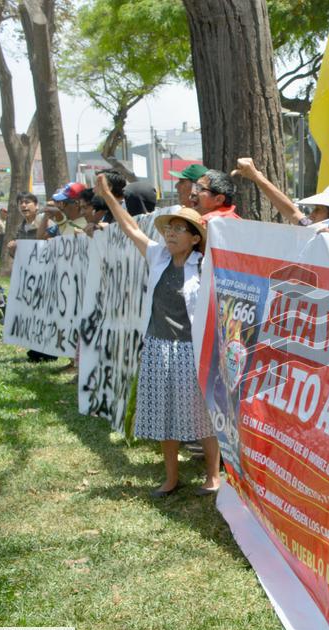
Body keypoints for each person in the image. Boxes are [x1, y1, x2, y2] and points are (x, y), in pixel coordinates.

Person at [94, 173, 222, 497]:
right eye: (169, 227)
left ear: (195, 238)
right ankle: (171, 478)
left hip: (190, 351)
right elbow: (130, 227)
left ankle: (213, 476)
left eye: (179, 228)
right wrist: (109, 197)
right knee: (164, 415)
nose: (171, 233)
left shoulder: (205, 265)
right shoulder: (158, 257)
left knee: (202, 415)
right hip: (157, 347)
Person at [230, 157, 329, 226]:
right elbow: (293, 212)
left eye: (318, 210)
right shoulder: (315, 231)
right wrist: (257, 177)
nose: (311, 215)